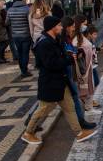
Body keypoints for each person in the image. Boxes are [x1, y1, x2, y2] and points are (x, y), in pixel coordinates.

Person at [22, 16, 98, 145]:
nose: (61, 27)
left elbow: (61, 55)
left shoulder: (54, 39)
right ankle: (28, 133)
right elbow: (51, 63)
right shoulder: (44, 43)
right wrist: (69, 60)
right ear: (52, 27)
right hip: (50, 82)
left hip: (60, 82)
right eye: (59, 25)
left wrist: (72, 54)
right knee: (43, 109)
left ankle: (79, 133)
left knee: (70, 108)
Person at [61, 16, 97, 130]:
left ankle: (80, 125)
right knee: (46, 104)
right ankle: (30, 127)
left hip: (67, 71)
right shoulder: (63, 39)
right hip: (63, 73)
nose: (84, 27)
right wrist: (72, 56)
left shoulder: (67, 38)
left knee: (73, 99)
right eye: (83, 24)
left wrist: (77, 53)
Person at [5, 0, 32, 77]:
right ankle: (24, 70)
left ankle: (22, 70)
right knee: (25, 53)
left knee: (20, 53)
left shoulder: (10, 10)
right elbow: (30, 22)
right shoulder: (27, 9)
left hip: (15, 36)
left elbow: (7, 22)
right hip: (26, 35)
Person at [73, 14, 96, 112]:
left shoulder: (81, 35)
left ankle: (88, 105)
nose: (85, 26)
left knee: (89, 86)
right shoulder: (75, 38)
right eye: (84, 24)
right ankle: (87, 106)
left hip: (88, 65)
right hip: (83, 67)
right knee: (85, 86)